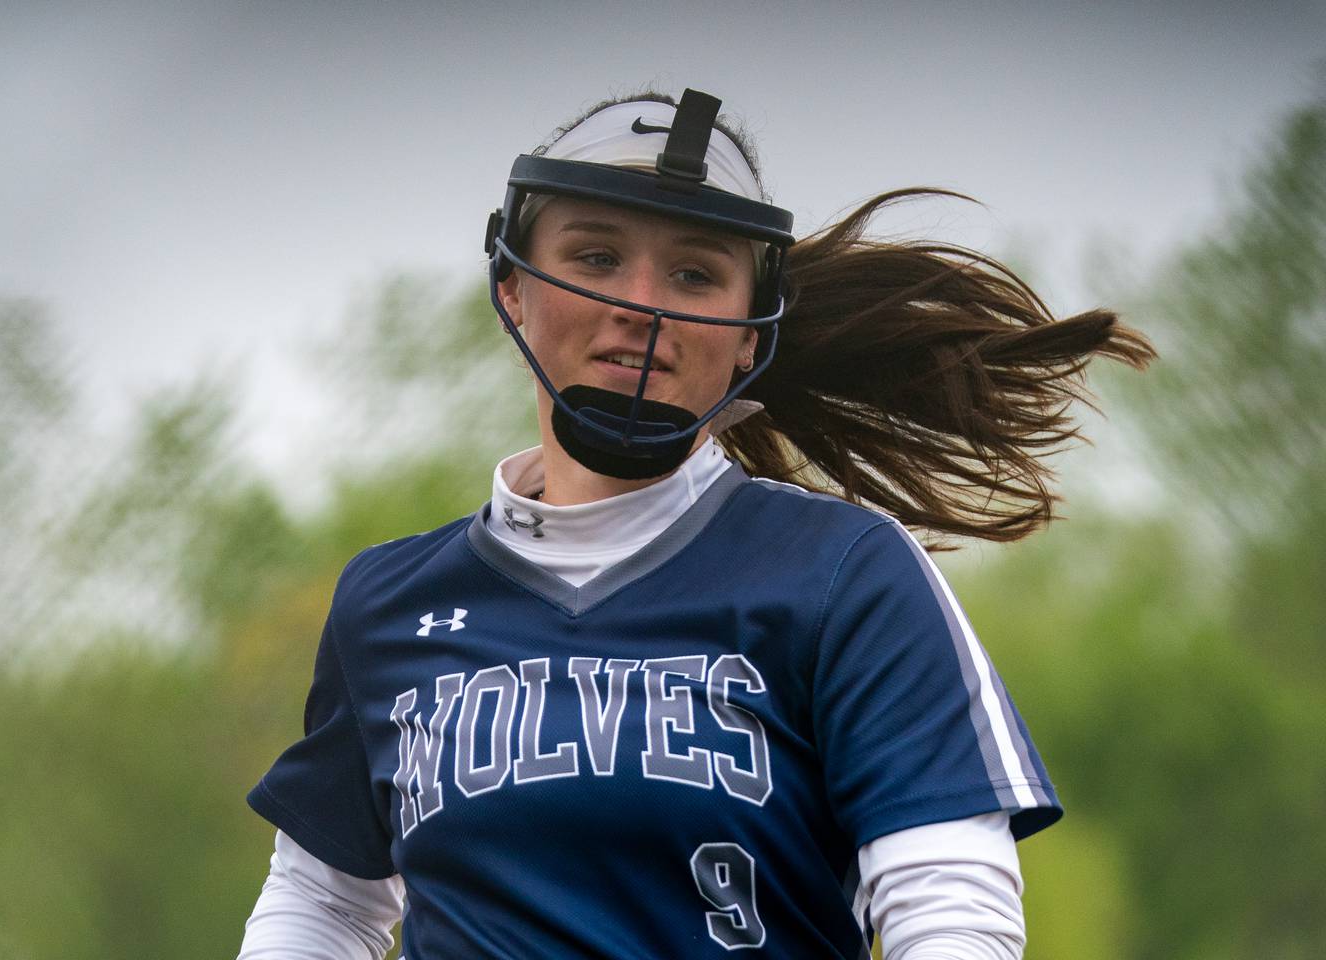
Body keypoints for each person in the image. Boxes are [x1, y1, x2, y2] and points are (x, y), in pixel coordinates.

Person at [237, 88, 1154, 959]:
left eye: (694, 273)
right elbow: (322, 905)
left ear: (751, 332)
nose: (643, 308)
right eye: (596, 257)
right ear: (513, 287)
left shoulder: (845, 576)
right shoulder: (390, 601)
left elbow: (951, 908)